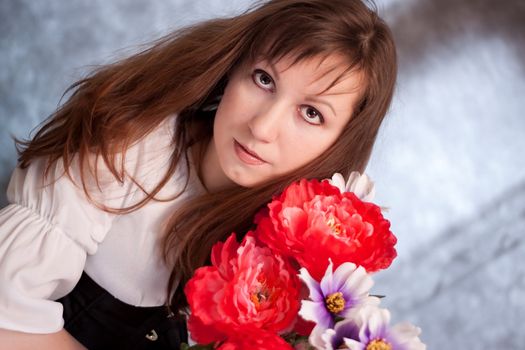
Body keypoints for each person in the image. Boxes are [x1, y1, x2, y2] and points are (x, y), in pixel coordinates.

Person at [0, 0, 397, 349]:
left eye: (311, 113)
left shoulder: (296, 258)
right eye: (264, 79)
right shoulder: (131, 146)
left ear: (340, 144)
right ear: (232, 69)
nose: (262, 127)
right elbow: (6, 314)